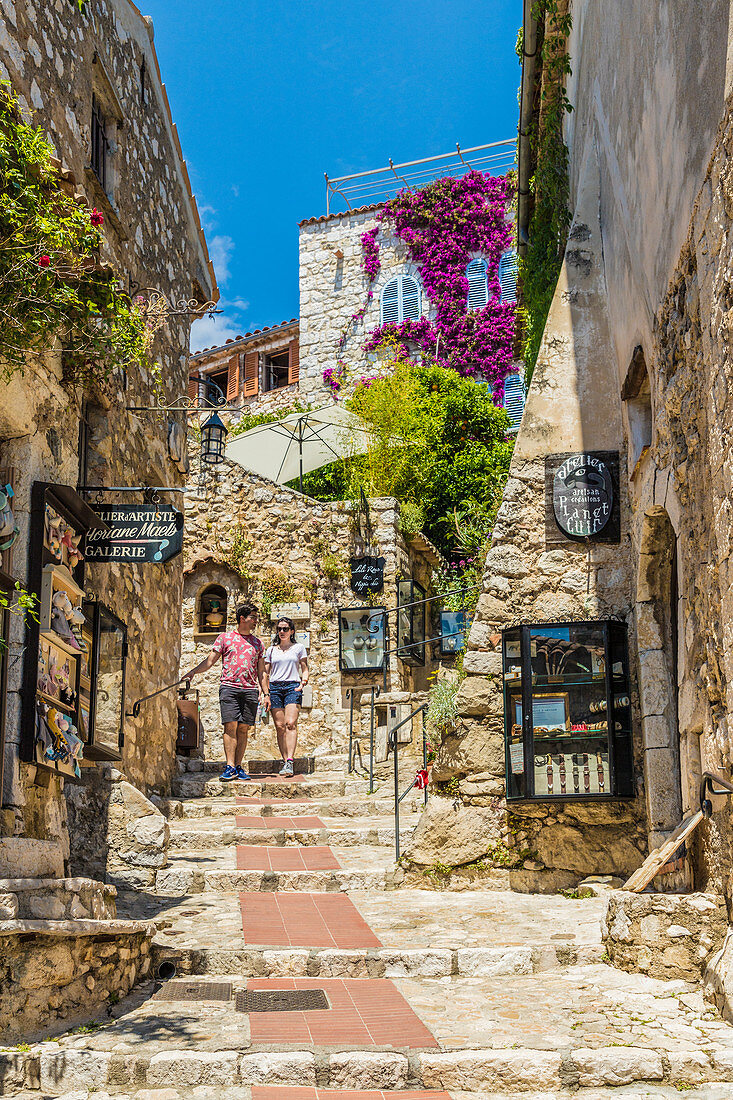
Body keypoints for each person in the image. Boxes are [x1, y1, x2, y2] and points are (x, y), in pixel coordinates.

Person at [181, 602, 265, 782]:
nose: (256, 621)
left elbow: (261, 671)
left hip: (250, 690)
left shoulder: (258, 644)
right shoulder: (225, 638)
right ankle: (230, 766)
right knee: (230, 726)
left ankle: (239, 767)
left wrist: (266, 693)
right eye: (253, 617)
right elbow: (210, 661)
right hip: (229, 688)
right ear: (242, 618)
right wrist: (193, 671)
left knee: (243, 729)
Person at [263, 616, 308, 777]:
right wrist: (265, 693)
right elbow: (265, 673)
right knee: (280, 726)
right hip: (275, 688)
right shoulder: (271, 650)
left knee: (290, 723)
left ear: (292, 631)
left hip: (291, 687)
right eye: (279, 629)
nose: (282, 631)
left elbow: (305, 668)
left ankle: (290, 760)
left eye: (285, 629)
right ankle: (285, 762)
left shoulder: (299, 648)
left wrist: (303, 683)